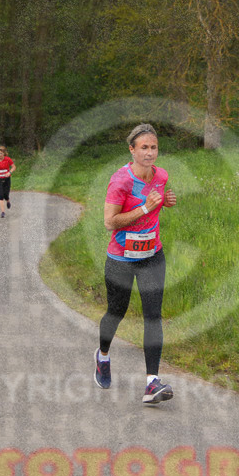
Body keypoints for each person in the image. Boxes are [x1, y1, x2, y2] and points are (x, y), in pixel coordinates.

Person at [95, 123, 177, 404]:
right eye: (144, 147)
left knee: (153, 315)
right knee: (116, 313)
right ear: (132, 150)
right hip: (122, 258)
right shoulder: (121, 181)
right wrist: (144, 208)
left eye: (153, 147)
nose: (150, 153)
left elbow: (155, 202)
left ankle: (152, 383)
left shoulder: (161, 175)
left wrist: (164, 201)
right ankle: (103, 355)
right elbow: (109, 222)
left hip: (152, 254)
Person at [0, 146, 15, 218]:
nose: (0, 155)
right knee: (1, 195)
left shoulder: (8, 159)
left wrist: (10, 172)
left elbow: (14, 167)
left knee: (6, 195)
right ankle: (3, 212)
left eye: (1, 153)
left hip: (7, 179)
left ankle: (8, 200)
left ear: (4, 153)